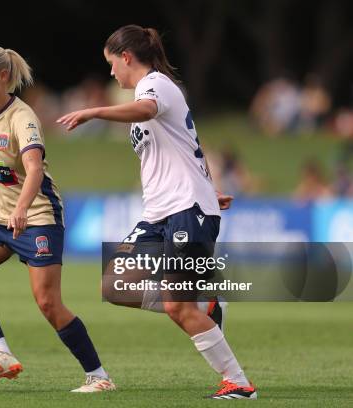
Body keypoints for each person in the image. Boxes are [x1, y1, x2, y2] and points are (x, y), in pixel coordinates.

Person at [57, 25, 257, 399]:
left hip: (185, 210)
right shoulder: (147, 91)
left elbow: (148, 110)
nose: (111, 72)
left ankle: (239, 384)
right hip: (161, 212)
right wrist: (210, 188)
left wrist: (94, 111)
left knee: (176, 307)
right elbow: (187, 145)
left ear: (127, 57)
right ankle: (206, 304)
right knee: (116, 283)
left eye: (112, 63)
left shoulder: (156, 85)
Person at [0, 44, 115, 392]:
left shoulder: (23, 117)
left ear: (4, 76)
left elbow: (34, 169)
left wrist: (23, 207)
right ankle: (1, 354)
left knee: (48, 302)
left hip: (38, 214)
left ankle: (99, 376)